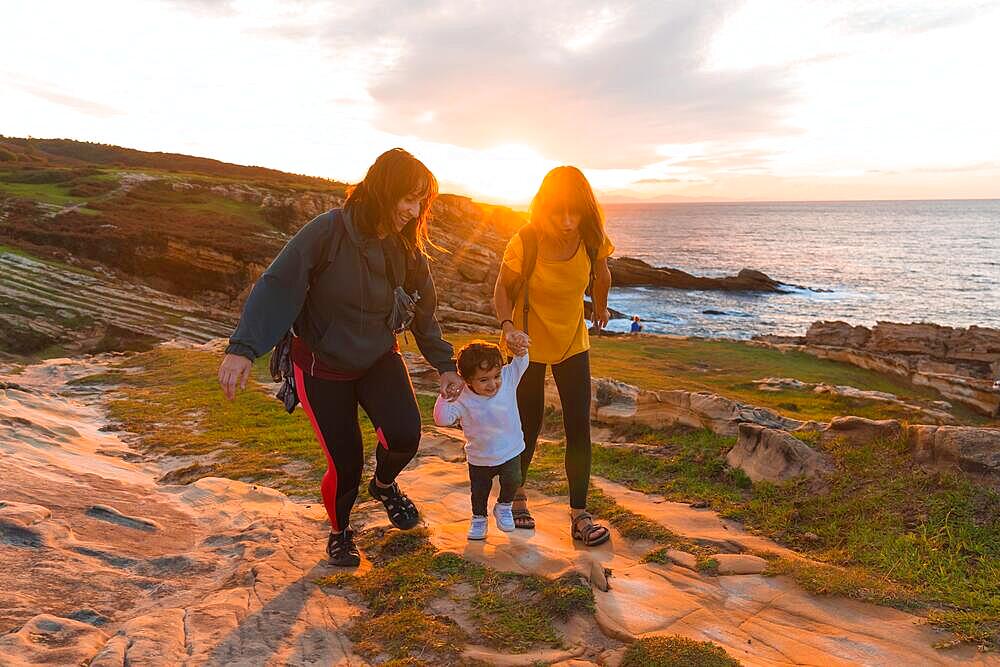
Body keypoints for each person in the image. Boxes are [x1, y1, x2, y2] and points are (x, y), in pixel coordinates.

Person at [217, 148, 463, 566]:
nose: (414, 209)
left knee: (405, 435)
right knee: (345, 464)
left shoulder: (405, 247)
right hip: (321, 365)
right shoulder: (328, 231)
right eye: (408, 197)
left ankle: (384, 487)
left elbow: (424, 309)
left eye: (422, 200)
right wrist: (243, 349)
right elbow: (278, 285)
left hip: (378, 357)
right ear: (384, 190)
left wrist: (444, 364)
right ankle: (340, 531)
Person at [493, 166, 613, 547]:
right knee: (528, 424)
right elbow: (502, 289)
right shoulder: (525, 241)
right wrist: (508, 327)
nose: (565, 221)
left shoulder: (592, 239)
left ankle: (579, 513)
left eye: (573, 212)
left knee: (579, 426)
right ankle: (517, 496)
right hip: (527, 345)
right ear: (543, 208)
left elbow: (602, 273)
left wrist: (601, 306)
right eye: (557, 212)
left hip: (572, 342)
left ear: (584, 210)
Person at [433, 339, 531, 540]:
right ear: (467, 380)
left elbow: (522, 361)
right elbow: (442, 420)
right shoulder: (462, 396)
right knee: (479, 491)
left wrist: (519, 347)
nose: (493, 383)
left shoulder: (509, 378)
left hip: (510, 449)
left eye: (496, 376)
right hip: (480, 456)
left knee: (513, 480)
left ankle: (504, 506)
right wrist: (445, 396)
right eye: (484, 380)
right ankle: (479, 518)